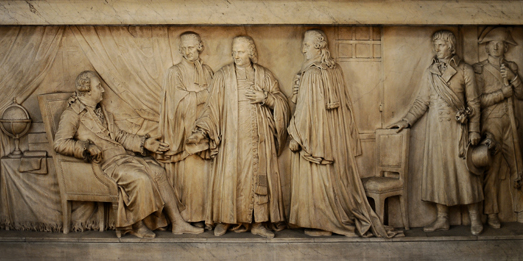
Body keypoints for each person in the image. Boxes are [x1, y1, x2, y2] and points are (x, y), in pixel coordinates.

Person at [53, 71, 203, 238]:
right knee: (140, 178)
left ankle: (177, 222)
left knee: (158, 171)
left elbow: (119, 136)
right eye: (98, 87)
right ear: (87, 91)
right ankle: (135, 225)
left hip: (121, 159)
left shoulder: (102, 112)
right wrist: (86, 147)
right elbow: (60, 143)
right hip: (103, 165)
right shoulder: (71, 114)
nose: (103, 90)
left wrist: (145, 143)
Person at [287, 29, 401, 238]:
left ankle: (324, 223)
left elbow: (306, 110)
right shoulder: (334, 69)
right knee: (331, 178)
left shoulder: (312, 73)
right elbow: (343, 105)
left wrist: (295, 136)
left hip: (316, 136)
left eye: (306, 45)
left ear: (318, 46)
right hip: (334, 136)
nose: (303, 49)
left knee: (319, 178)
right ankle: (332, 219)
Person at [187, 35, 290, 238]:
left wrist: (266, 98)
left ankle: (259, 222)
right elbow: (212, 108)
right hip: (232, 139)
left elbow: (282, 102)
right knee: (229, 178)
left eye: (241, 52)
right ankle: (225, 219)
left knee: (259, 179)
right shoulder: (223, 75)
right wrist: (202, 131)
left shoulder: (264, 75)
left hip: (260, 139)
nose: (236, 55)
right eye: (234, 52)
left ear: (251, 52)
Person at [389, 30, 484, 235]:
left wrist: (474, 130)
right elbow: (422, 102)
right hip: (435, 131)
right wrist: (406, 121)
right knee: (439, 173)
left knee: (466, 174)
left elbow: (474, 103)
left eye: (440, 45)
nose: (436, 49)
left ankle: (475, 218)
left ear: (451, 46)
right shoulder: (430, 72)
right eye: (435, 45)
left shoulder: (465, 70)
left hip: (458, 131)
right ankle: (442, 219)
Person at [158, 32, 213, 227]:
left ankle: (207, 216)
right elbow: (176, 103)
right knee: (191, 178)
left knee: (206, 178)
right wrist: (202, 96)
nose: (187, 52)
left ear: (200, 46)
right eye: (184, 48)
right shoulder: (175, 72)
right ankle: (190, 218)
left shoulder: (207, 71)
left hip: (205, 134)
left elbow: (216, 102)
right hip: (184, 136)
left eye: (191, 47)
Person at [473, 27, 523, 228]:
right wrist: (502, 93)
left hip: (511, 125)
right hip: (491, 126)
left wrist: (514, 78)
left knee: (518, 168)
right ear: (486, 47)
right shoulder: (479, 69)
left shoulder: (511, 66)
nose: (495, 46)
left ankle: (519, 210)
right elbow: (478, 101)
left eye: (500, 43)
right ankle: (491, 213)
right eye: (492, 43)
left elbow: (520, 94)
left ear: (505, 47)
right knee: (491, 172)